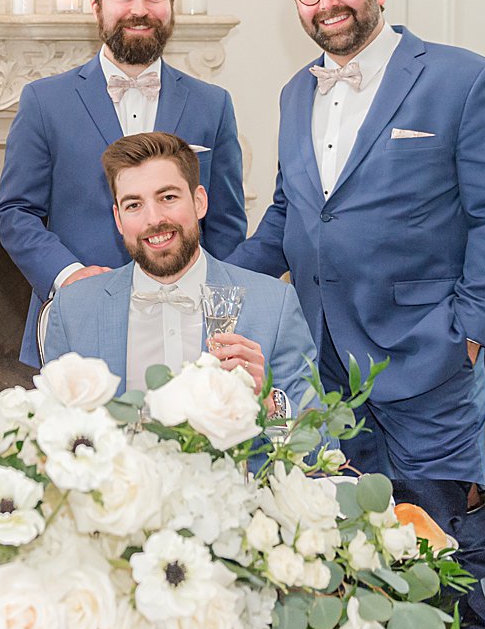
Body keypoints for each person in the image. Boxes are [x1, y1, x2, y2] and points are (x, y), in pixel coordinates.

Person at [225, 0, 485, 629]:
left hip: (429, 357)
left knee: (449, 541)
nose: (326, 3)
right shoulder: (293, 91)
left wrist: (474, 333)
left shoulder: (460, 78)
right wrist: (204, 279)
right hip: (324, 366)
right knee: (351, 539)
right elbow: (289, 214)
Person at [0, 0, 246, 369]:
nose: (140, 9)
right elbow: (14, 211)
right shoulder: (44, 101)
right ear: (97, 8)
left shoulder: (213, 103)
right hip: (78, 322)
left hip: (187, 330)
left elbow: (225, 223)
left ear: (171, 6)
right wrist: (69, 277)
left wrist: (219, 314)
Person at [44, 132, 318, 417]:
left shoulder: (274, 305)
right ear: (119, 219)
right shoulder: (73, 309)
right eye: (134, 205)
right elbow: (51, 432)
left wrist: (268, 403)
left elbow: (320, 443)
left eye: (168, 197)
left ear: (199, 202)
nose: (154, 219)